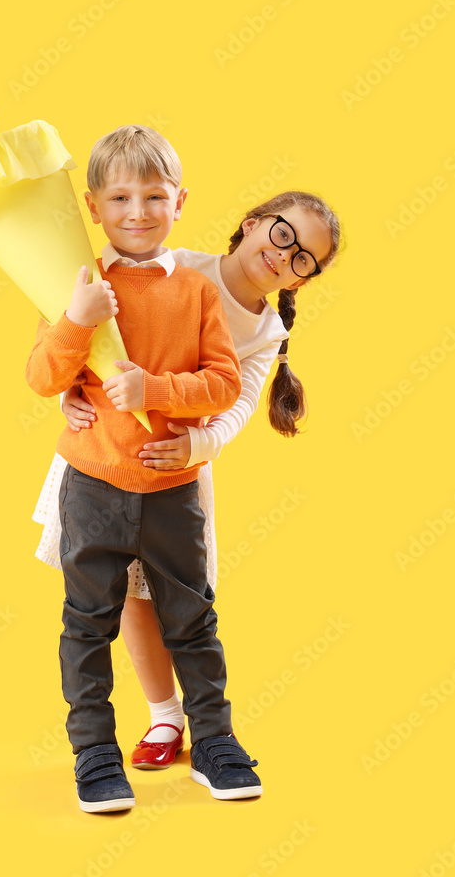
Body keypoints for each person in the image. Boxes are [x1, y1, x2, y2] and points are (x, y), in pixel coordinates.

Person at [33, 188, 341, 769]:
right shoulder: (177, 264)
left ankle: (202, 727)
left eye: (304, 258)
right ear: (252, 224)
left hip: (174, 470)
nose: (285, 255)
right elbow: (83, 323)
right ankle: (163, 716)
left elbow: (237, 406)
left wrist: (193, 444)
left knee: (180, 605)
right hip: (101, 457)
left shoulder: (266, 332)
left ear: (302, 280)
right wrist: (70, 396)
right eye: (282, 234)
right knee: (117, 596)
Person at [26, 124, 265, 813]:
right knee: (87, 623)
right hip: (93, 486)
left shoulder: (195, 291)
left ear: (179, 201)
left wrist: (154, 391)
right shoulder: (73, 282)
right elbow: (43, 377)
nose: (138, 211)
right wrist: (75, 319)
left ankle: (215, 743)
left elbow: (222, 384)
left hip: (172, 491)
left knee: (191, 620)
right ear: (93, 207)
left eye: (154, 196)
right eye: (121, 197)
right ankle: (95, 755)